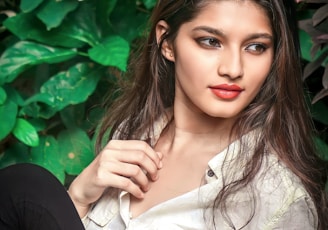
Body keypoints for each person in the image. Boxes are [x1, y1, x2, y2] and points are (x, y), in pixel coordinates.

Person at [0, 0, 327, 229]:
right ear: (167, 42)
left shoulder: (278, 199)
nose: (233, 69)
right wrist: (80, 195)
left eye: (256, 47)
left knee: (28, 186)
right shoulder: (133, 131)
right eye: (211, 41)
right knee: (24, 187)